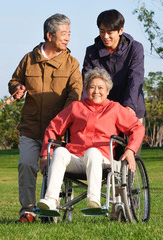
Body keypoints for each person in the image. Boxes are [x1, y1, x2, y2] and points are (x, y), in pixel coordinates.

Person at [8, 13, 83, 223]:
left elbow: (76, 93)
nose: (68, 38)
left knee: (54, 169)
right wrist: (17, 88)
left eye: (69, 33)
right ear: (49, 35)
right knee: (26, 166)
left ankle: (50, 209)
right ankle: (28, 211)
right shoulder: (28, 59)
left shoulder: (71, 63)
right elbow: (14, 80)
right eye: (64, 33)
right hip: (30, 127)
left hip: (58, 132)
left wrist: (64, 119)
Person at [37, 67, 145, 211]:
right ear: (86, 90)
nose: (96, 91)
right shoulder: (76, 107)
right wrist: (45, 154)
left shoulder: (115, 108)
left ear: (108, 90)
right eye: (92, 87)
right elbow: (53, 128)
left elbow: (137, 127)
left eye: (101, 87)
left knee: (93, 152)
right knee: (60, 152)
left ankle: (93, 201)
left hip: (102, 159)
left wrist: (131, 150)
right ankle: (51, 200)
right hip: (75, 158)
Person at [82, 9, 146, 122]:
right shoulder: (91, 51)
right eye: (102, 31)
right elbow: (86, 82)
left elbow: (135, 79)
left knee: (133, 138)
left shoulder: (135, 48)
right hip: (101, 110)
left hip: (131, 106)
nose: (105, 36)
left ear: (120, 30)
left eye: (110, 32)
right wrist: (83, 109)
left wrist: (130, 106)